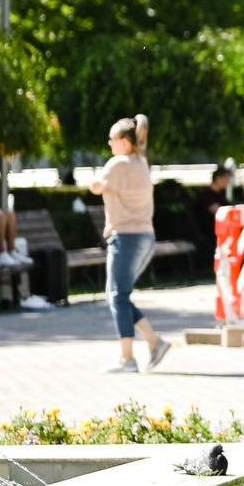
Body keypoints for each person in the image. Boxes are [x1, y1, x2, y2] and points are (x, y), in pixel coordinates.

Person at [89, 115, 170, 374]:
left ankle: (128, 359)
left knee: (118, 296)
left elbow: (95, 186)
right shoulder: (141, 162)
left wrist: (98, 181)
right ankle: (155, 342)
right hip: (145, 236)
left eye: (112, 139)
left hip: (126, 237)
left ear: (124, 142)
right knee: (119, 295)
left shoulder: (118, 164)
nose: (109, 143)